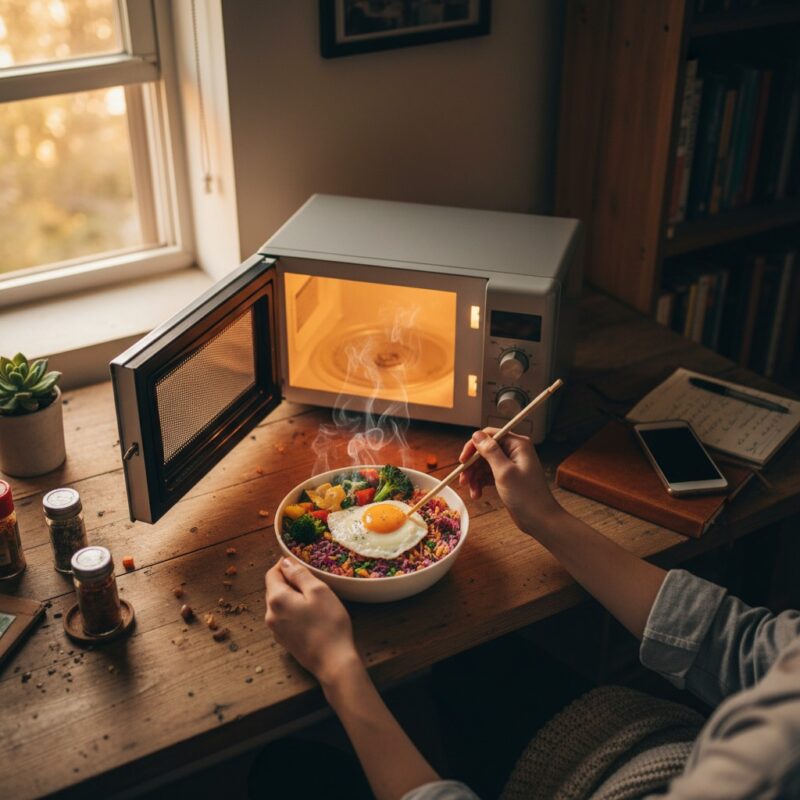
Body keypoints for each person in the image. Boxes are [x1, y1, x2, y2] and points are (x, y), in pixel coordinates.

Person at [263, 429, 800, 799]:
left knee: (278, 770)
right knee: (470, 661)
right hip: (649, 736)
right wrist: (544, 516)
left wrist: (338, 668)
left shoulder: (772, 771)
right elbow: (736, 644)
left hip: (602, 777)